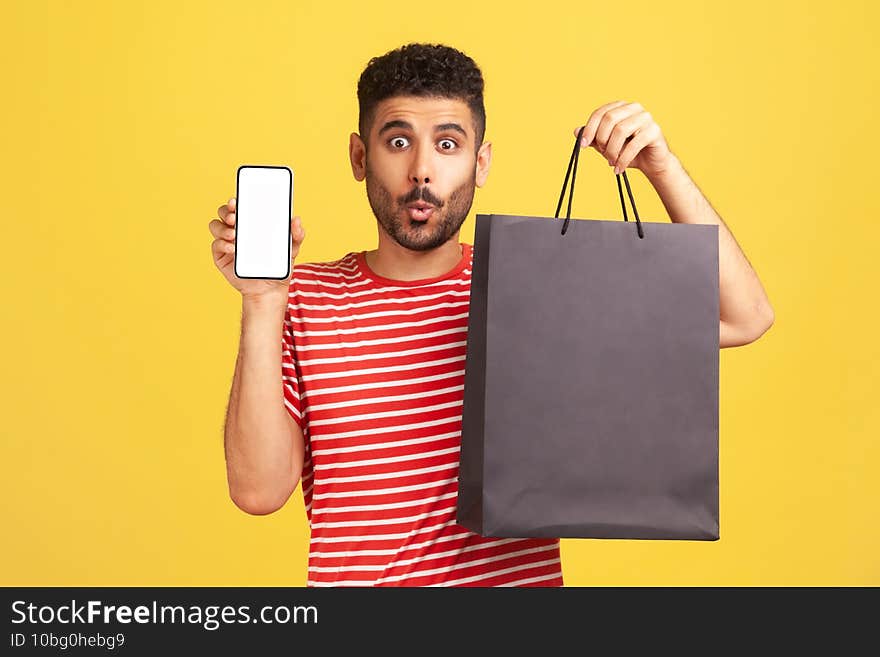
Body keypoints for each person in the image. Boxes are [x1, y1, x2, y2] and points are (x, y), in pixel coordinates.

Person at [208, 43, 774, 587]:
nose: (422, 171)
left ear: (481, 164)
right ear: (360, 157)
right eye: (399, 141)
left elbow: (745, 317)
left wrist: (662, 168)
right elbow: (259, 492)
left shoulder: (534, 283)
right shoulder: (300, 297)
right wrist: (261, 302)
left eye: (448, 145)